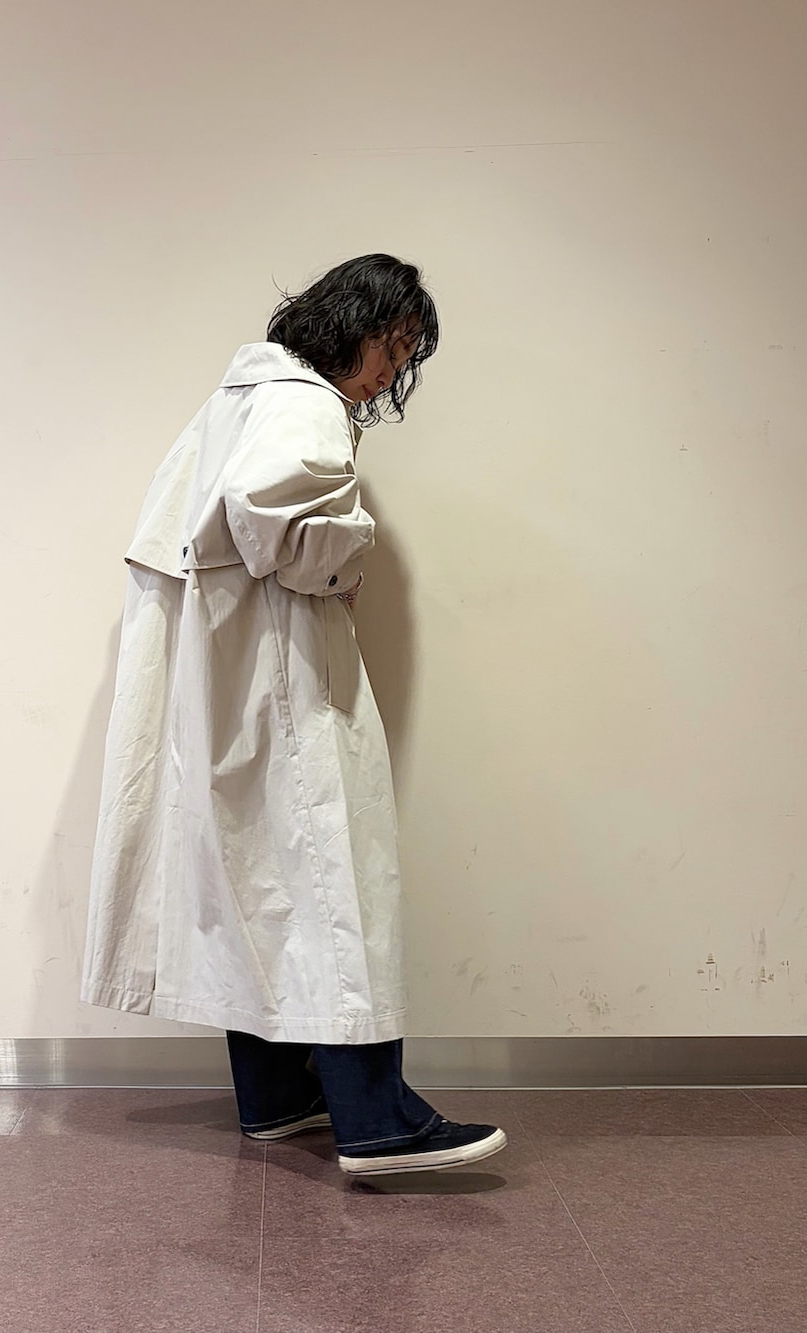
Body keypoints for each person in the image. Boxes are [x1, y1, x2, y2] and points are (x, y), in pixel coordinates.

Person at [81, 254, 507, 1175]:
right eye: (392, 346)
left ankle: (277, 1095)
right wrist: (350, 557)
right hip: (285, 678)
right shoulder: (303, 402)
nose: (392, 371)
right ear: (352, 324)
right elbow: (266, 512)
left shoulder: (234, 398)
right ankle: (376, 1119)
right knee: (333, 880)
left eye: (405, 356)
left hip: (230, 684)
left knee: (261, 884)